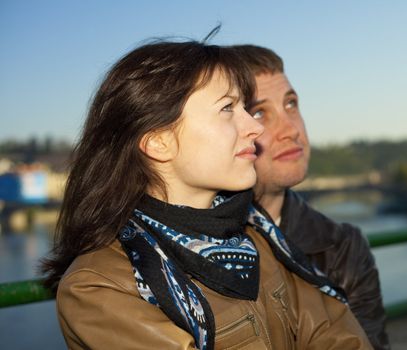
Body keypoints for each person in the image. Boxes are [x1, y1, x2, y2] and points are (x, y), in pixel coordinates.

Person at [40, 39, 373, 349]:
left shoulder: (258, 240)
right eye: (228, 108)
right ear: (159, 142)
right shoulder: (99, 287)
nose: (254, 128)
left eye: (246, 108)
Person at [232, 45, 390, 349]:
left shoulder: (343, 249)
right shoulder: (181, 244)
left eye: (291, 104)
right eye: (260, 112)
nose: (290, 129)